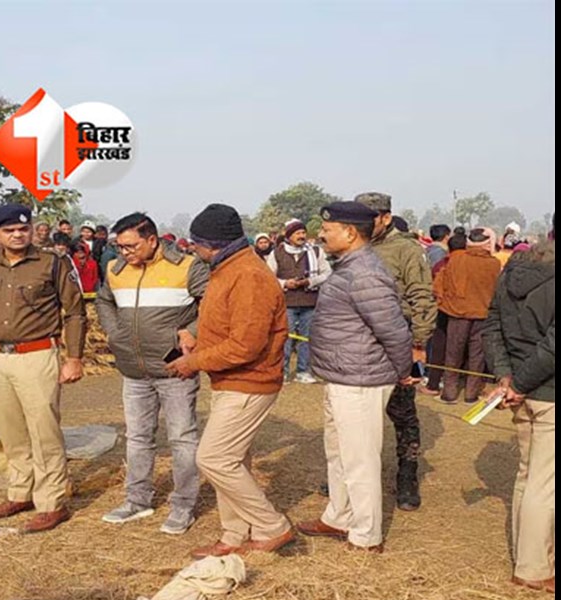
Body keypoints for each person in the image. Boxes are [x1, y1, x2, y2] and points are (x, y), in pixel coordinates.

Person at [164, 204, 294, 559]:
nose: (192, 249)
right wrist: (196, 339)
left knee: (214, 458)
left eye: (195, 243)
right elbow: (228, 326)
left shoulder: (248, 275)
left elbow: (245, 345)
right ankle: (234, 534)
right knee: (232, 459)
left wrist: (194, 361)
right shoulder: (228, 268)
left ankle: (271, 526)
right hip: (231, 380)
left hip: (249, 380)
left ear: (212, 244)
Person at [297, 201, 413, 553]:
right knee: (339, 453)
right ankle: (339, 517)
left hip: (361, 380)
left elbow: (394, 331)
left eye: (327, 230)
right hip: (342, 377)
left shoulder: (365, 274)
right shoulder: (349, 266)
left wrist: (403, 371)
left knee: (360, 460)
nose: (321, 235)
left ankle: (366, 534)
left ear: (349, 233)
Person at [0, 205, 86, 534]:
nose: (18, 235)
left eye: (23, 229)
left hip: (37, 354)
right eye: (9, 230)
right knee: (11, 430)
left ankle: (51, 502)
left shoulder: (53, 262)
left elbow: (75, 312)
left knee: (43, 431)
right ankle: (20, 492)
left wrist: (74, 358)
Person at [96, 212, 208, 535]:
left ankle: (183, 505)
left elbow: (213, 303)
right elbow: (103, 300)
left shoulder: (187, 266)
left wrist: (192, 330)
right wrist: (113, 331)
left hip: (175, 370)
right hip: (133, 369)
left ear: (151, 240)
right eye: (120, 247)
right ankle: (137, 500)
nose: (124, 253)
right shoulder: (115, 269)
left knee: (182, 438)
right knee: (138, 437)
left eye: (131, 246)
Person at [483, 230, 555, 593]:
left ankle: (529, 557)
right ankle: (534, 567)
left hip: (521, 388)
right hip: (544, 390)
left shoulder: (513, 268)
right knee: (545, 484)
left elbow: (493, 325)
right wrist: (519, 382)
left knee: (529, 476)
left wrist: (506, 376)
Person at [355, 191, 436, 511]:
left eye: (368, 219)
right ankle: (355, 475)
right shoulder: (355, 246)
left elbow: (422, 297)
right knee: (358, 414)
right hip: (358, 343)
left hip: (396, 342)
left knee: (402, 413)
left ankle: (407, 474)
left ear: (385, 218)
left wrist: (418, 344)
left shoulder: (406, 249)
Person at [433, 228, 502, 404]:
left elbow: (441, 283)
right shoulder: (494, 264)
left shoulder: (456, 259)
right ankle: (471, 394)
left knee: (453, 354)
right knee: (477, 356)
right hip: (483, 315)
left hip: (457, 313)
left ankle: (449, 393)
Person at [266, 219, 331, 384]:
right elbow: (268, 278)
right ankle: (283, 372)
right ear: (289, 236)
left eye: (303, 233)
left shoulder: (316, 252)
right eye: (297, 233)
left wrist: (309, 281)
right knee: (285, 338)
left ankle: (304, 371)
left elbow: (327, 273)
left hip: (310, 302)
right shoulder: (277, 253)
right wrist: (285, 283)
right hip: (286, 303)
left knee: (307, 338)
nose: (302, 236)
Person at [420, 233, 468, 396]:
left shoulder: (442, 264)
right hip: (467, 312)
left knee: (439, 347)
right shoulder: (472, 265)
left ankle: (434, 383)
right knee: (461, 348)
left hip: (443, 309)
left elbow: (434, 287)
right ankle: (464, 387)